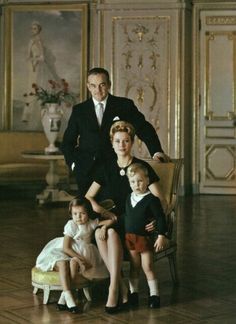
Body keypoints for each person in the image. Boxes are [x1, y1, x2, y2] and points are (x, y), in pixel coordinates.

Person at [85, 121, 168, 313]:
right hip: (116, 220)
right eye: (117, 141)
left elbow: (160, 199)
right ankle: (118, 285)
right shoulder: (106, 167)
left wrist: (155, 221)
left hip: (136, 225)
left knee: (111, 234)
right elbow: (89, 196)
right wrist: (104, 212)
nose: (122, 145)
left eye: (126, 141)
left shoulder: (142, 168)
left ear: (132, 143)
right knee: (105, 233)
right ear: (112, 143)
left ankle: (116, 289)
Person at [61, 67, 169, 196]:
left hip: (115, 167)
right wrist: (74, 164)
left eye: (102, 85)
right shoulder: (79, 110)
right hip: (86, 170)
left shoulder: (124, 105)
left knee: (115, 209)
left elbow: (143, 127)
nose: (98, 90)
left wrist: (156, 150)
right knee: (88, 210)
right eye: (93, 86)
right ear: (88, 86)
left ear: (109, 85)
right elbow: (67, 142)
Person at [35, 197, 114, 314]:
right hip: (65, 250)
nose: (78, 217)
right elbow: (66, 247)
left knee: (73, 265)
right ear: (71, 214)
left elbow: (111, 220)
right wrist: (80, 258)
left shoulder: (91, 223)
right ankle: (68, 298)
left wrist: (104, 227)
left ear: (88, 213)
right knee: (63, 263)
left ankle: (63, 299)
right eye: (75, 214)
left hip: (82, 252)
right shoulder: (71, 225)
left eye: (82, 213)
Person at [125, 163, 169, 309]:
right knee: (134, 267)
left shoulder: (151, 199)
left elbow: (161, 217)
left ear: (147, 181)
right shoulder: (129, 197)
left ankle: (154, 295)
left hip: (144, 239)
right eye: (132, 182)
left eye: (140, 181)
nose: (136, 185)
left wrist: (161, 235)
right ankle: (133, 294)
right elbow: (126, 216)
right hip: (130, 237)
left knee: (147, 266)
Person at [22, 21, 60, 130]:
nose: (34, 30)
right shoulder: (31, 41)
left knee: (43, 87)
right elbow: (28, 56)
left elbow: (45, 56)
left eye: (36, 28)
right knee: (32, 88)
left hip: (41, 67)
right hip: (34, 67)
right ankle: (28, 114)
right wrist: (35, 60)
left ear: (39, 30)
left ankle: (44, 114)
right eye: (33, 28)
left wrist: (41, 58)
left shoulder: (41, 41)